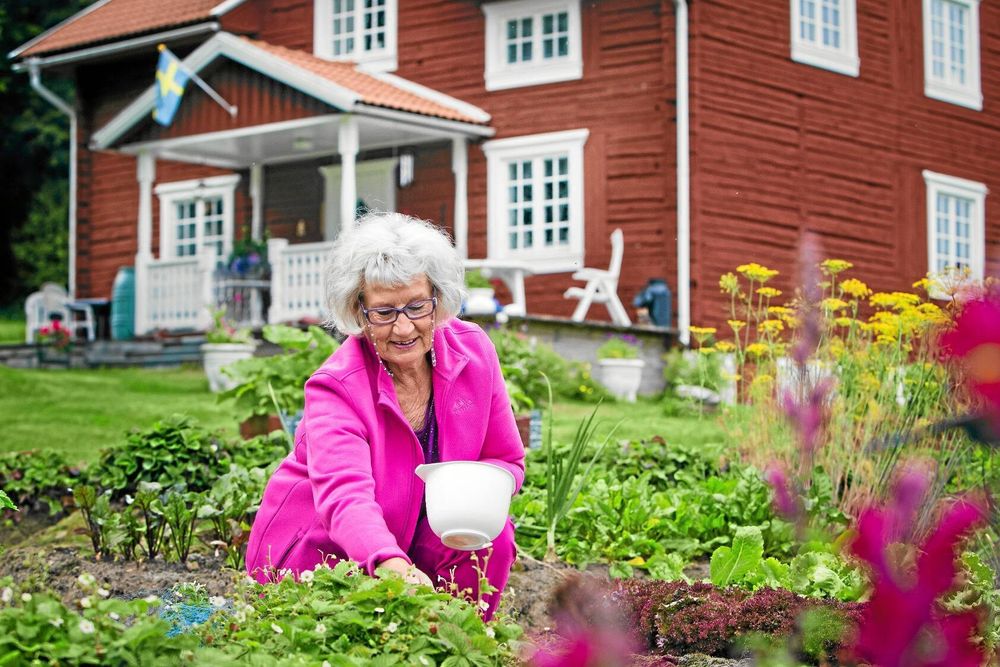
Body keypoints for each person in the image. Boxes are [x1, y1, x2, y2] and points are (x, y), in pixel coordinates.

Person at [245, 212, 525, 620]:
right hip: (324, 545)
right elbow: (346, 498)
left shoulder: (474, 352)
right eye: (384, 312)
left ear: (438, 300)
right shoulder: (335, 388)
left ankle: (459, 641)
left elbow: (506, 460)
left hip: (412, 531)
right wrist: (389, 563)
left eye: (416, 306)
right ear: (359, 313)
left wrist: (475, 498)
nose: (403, 327)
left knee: (492, 539)